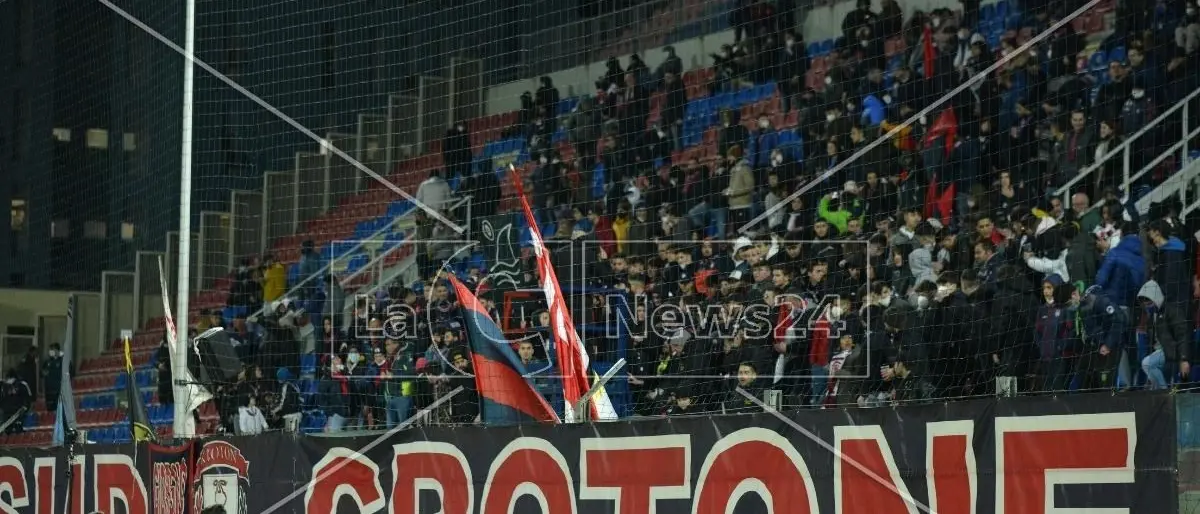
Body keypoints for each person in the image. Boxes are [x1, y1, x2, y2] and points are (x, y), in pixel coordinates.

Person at [1138, 280, 1192, 390]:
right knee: (1148, 365)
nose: (1148, 306)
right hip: (1159, 353)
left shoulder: (1172, 310)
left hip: (1170, 350)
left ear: (1156, 298)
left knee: (1147, 363)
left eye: (1150, 303)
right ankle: (1160, 391)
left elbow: (1182, 335)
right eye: (1146, 305)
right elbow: (1151, 342)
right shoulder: (1151, 316)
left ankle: (1163, 391)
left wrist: (1183, 358)